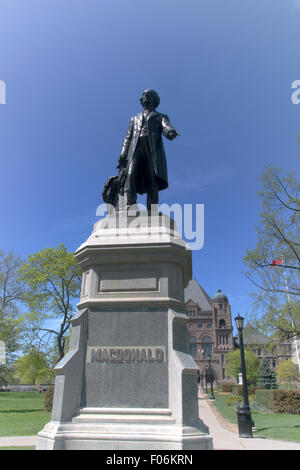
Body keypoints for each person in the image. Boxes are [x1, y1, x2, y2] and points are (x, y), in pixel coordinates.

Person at [118, 89, 179, 212]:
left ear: (154, 100)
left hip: (153, 150)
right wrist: (123, 152)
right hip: (135, 149)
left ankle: (152, 209)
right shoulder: (134, 119)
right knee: (131, 175)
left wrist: (170, 132)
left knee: (152, 177)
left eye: (148, 95)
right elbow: (128, 137)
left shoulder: (160, 116)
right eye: (144, 95)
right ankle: (130, 205)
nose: (145, 97)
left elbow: (166, 126)